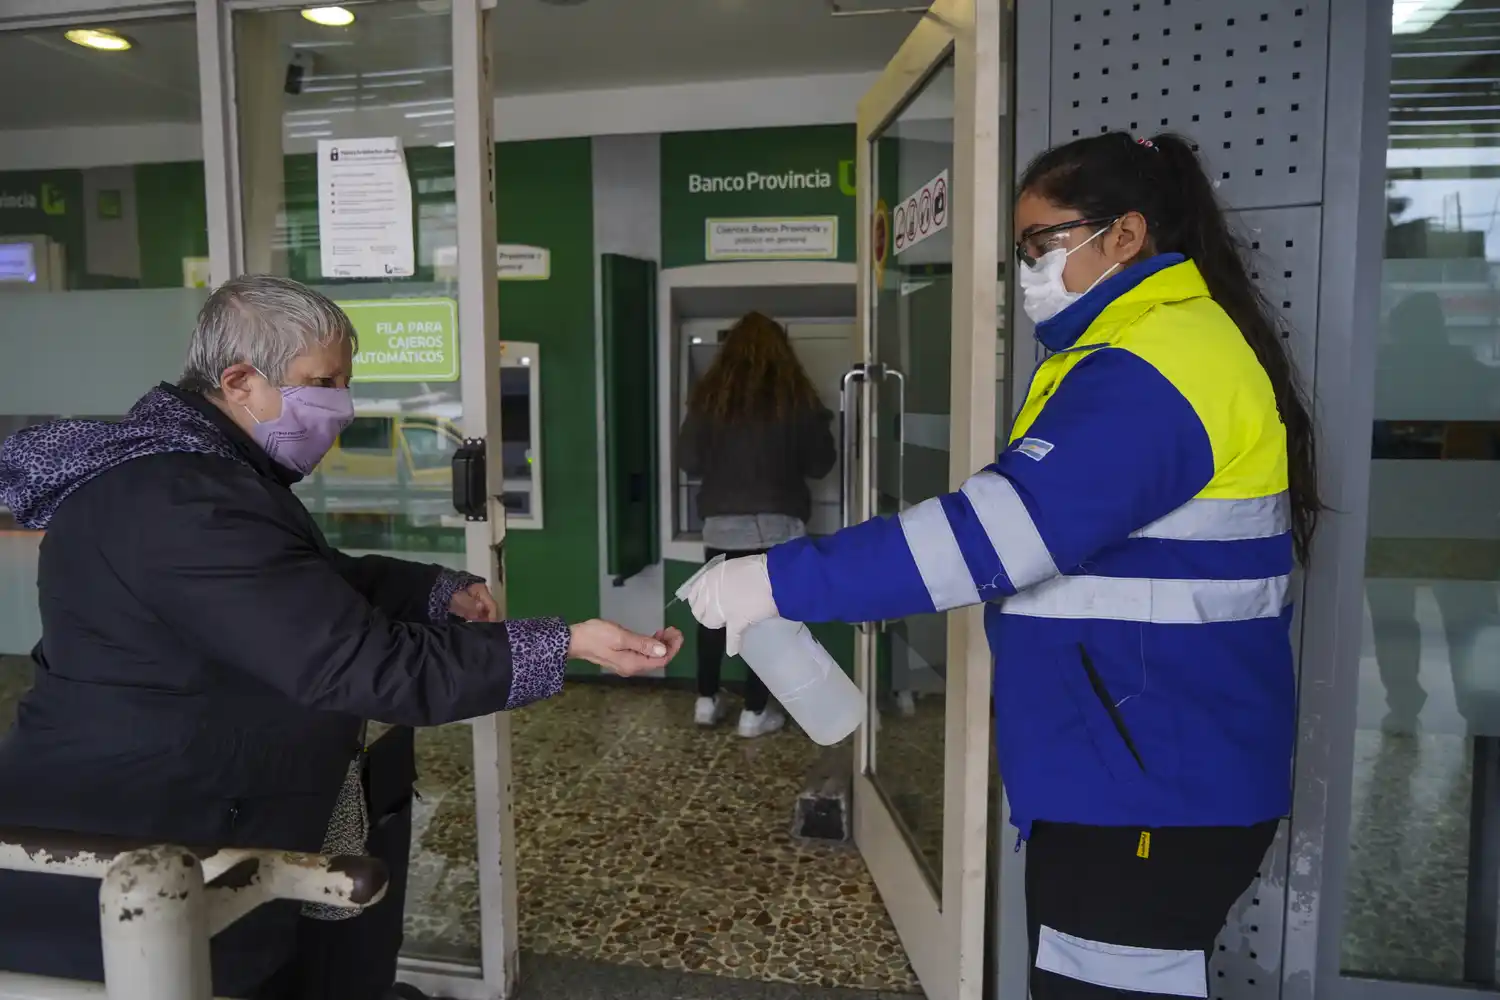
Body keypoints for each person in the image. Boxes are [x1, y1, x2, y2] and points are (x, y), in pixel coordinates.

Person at [682, 132, 1320, 998]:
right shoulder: (1135, 350)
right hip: (1140, 759)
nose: (1027, 270)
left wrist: (776, 578)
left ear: (1125, 235)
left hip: (1154, 779)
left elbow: (993, 535)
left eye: (1040, 244)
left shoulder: (1159, 364)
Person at [0, 275, 682, 1000]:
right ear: (239, 382)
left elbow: (298, 583)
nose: (341, 405)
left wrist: (431, 591)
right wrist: (566, 643)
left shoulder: (203, 477)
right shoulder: (180, 503)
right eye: (321, 382)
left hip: (191, 811)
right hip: (139, 841)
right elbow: (359, 662)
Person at [678, 312, 836, 738]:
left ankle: (705, 702)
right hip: (778, 524)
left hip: (720, 525)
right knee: (768, 619)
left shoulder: (709, 400)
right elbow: (822, 464)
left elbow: (688, 461)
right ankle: (754, 712)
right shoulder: (794, 399)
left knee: (713, 613)